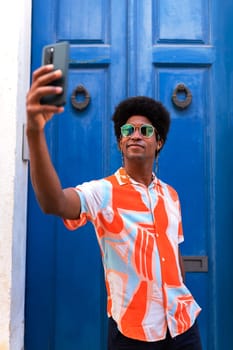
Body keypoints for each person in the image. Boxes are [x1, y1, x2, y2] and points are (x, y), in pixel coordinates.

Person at [26, 64, 202, 350]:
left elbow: (174, 250)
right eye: (127, 130)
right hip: (133, 332)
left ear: (158, 142)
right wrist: (34, 132)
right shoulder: (103, 192)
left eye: (145, 130)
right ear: (120, 141)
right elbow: (53, 202)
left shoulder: (171, 195)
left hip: (183, 324)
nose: (135, 134)